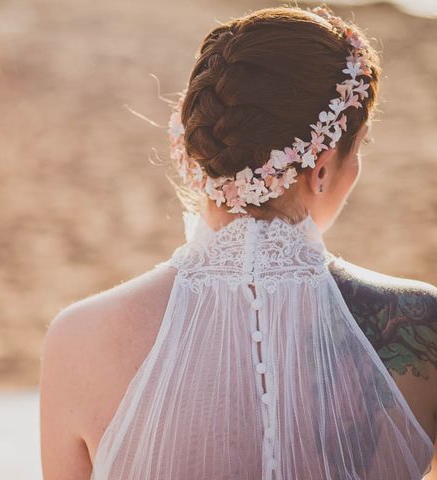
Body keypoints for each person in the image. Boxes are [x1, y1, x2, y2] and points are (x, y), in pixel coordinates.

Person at [39, 6, 437, 480]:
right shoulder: (421, 324)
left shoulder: (79, 339)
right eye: (361, 147)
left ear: (195, 149)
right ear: (324, 168)